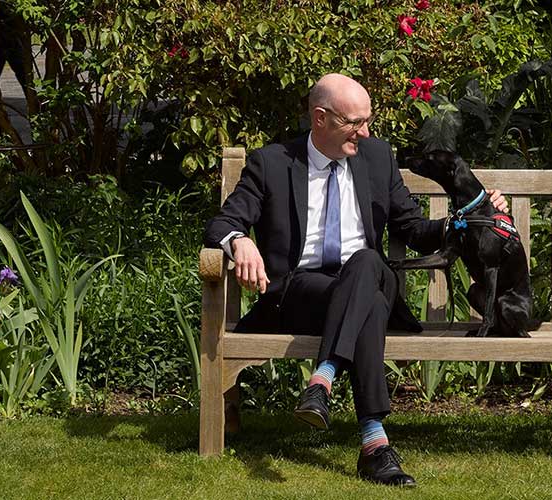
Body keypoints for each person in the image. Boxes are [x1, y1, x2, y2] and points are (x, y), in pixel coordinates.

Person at [203, 73, 507, 487]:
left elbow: (413, 229)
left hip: (367, 277)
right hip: (303, 293)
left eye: (368, 121)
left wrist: (472, 216)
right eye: (355, 123)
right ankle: (374, 445)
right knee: (369, 303)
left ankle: (323, 378)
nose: (365, 132)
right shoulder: (271, 163)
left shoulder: (377, 157)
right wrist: (239, 241)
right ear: (321, 118)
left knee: (365, 262)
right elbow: (223, 222)